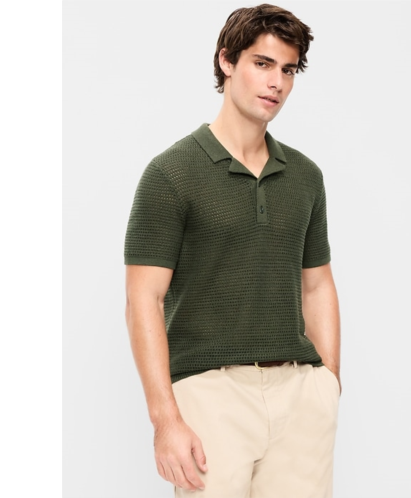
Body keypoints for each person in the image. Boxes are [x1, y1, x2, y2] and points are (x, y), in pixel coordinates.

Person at [124, 4, 341, 497]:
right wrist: (165, 419)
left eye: (288, 70)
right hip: (209, 395)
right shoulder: (171, 173)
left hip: (299, 396)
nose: (276, 83)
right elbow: (142, 299)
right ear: (227, 61)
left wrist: (328, 381)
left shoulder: (306, 176)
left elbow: (317, 284)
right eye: (262, 64)